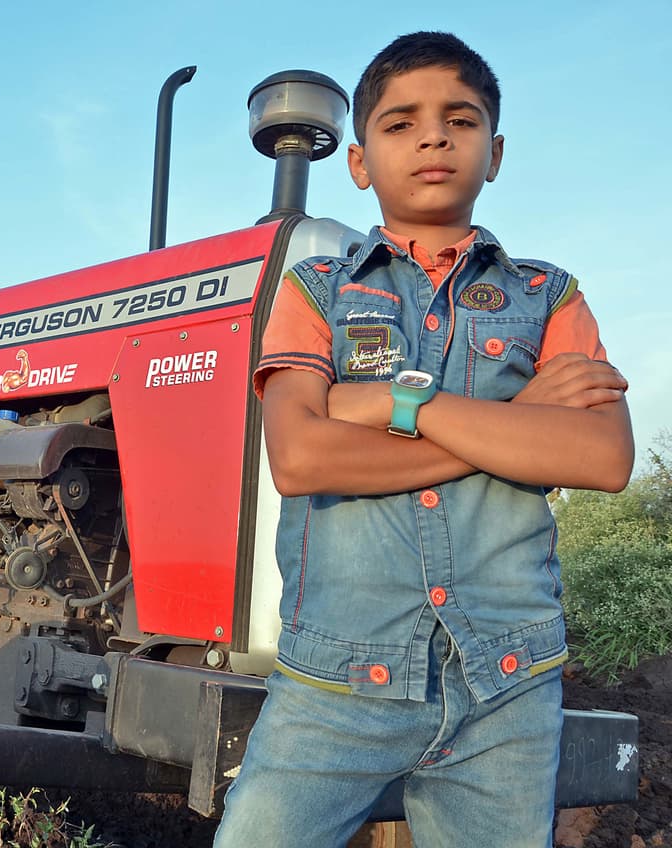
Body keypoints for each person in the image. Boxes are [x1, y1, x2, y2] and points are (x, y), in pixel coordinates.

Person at [213, 31, 633, 848]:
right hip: (335, 682)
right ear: (359, 162)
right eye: (401, 123)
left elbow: (603, 457)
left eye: (460, 120)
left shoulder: (548, 296)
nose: (434, 137)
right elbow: (299, 457)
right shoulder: (316, 291)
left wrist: (398, 406)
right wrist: (514, 422)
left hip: (507, 687)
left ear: (495, 153)